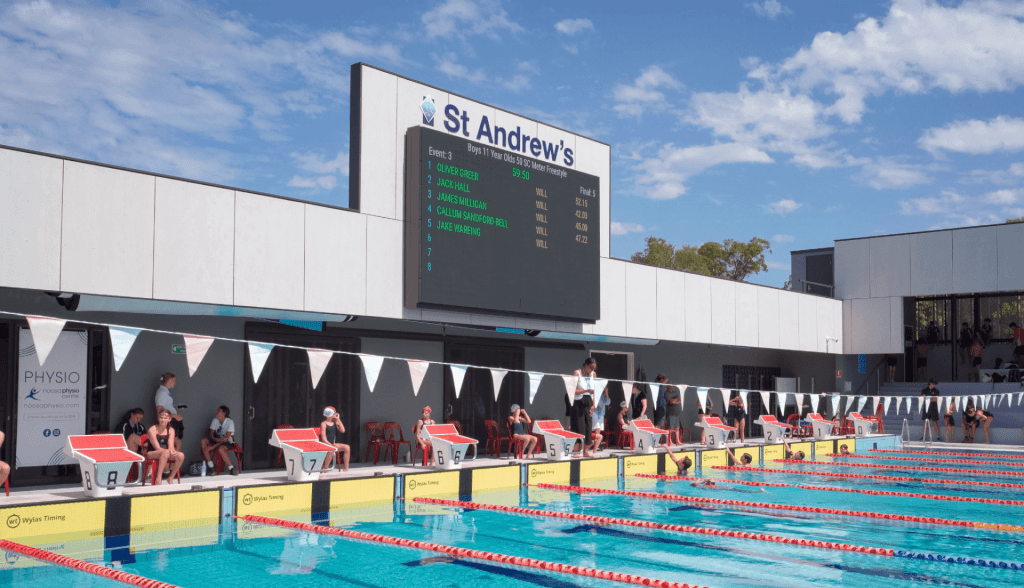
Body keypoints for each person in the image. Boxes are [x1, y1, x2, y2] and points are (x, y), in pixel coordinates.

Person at [145, 409, 184, 484]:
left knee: (181, 455)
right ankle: (158, 478)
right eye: (161, 418)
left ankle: (171, 477)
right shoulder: (152, 429)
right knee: (165, 452)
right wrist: (169, 451)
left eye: (165, 418)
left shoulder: (171, 430)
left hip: (165, 453)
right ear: (158, 418)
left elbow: (171, 446)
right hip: (152, 453)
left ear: (169, 419)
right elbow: (157, 447)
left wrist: (172, 451)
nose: (163, 420)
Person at [201, 405, 238, 475]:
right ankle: (211, 467)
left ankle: (231, 468)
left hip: (228, 442)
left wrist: (213, 446)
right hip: (217, 439)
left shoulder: (230, 422)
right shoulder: (215, 420)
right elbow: (211, 434)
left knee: (221, 448)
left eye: (218, 411)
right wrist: (214, 439)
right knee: (203, 440)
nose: (216, 412)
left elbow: (226, 439)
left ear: (224, 413)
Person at [572, 358, 597, 458]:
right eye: (590, 368)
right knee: (579, 427)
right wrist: (585, 390)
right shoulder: (577, 373)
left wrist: (594, 405)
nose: (591, 370)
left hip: (589, 403)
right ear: (585, 365)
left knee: (588, 428)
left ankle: (585, 451)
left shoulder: (593, 375)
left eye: (594, 369)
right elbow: (572, 391)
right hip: (578, 403)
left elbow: (595, 392)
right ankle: (576, 451)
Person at [154, 373, 183, 451]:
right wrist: (173, 416)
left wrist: (175, 407)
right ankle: (171, 461)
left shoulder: (166, 391)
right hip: (168, 421)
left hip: (172, 420)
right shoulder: (162, 392)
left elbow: (166, 406)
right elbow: (159, 409)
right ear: (169, 380)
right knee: (174, 443)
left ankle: (172, 461)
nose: (174, 383)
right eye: (173, 381)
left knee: (175, 442)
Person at [320, 406, 351, 472]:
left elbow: (343, 430)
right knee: (331, 449)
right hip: (326, 444)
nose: (336, 414)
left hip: (332, 444)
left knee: (347, 447)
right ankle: (325, 468)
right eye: (334, 413)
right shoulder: (323, 424)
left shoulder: (335, 422)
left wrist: (338, 419)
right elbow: (323, 438)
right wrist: (330, 444)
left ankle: (345, 468)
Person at [659, 374, 682, 445]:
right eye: (669, 386)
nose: (670, 387)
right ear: (667, 386)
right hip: (670, 413)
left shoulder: (675, 392)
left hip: (676, 412)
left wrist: (675, 400)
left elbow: (680, 400)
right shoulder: (666, 393)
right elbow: (670, 400)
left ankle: (677, 441)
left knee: (677, 428)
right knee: (670, 428)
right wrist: (675, 400)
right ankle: (670, 441)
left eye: (671, 386)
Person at [591, 387, 610, 451]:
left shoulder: (603, 396)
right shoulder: (595, 394)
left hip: (601, 414)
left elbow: (608, 402)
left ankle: (595, 446)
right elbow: (591, 402)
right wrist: (596, 407)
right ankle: (594, 448)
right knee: (597, 429)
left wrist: (607, 393)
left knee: (599, 430)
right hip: (595, 413)